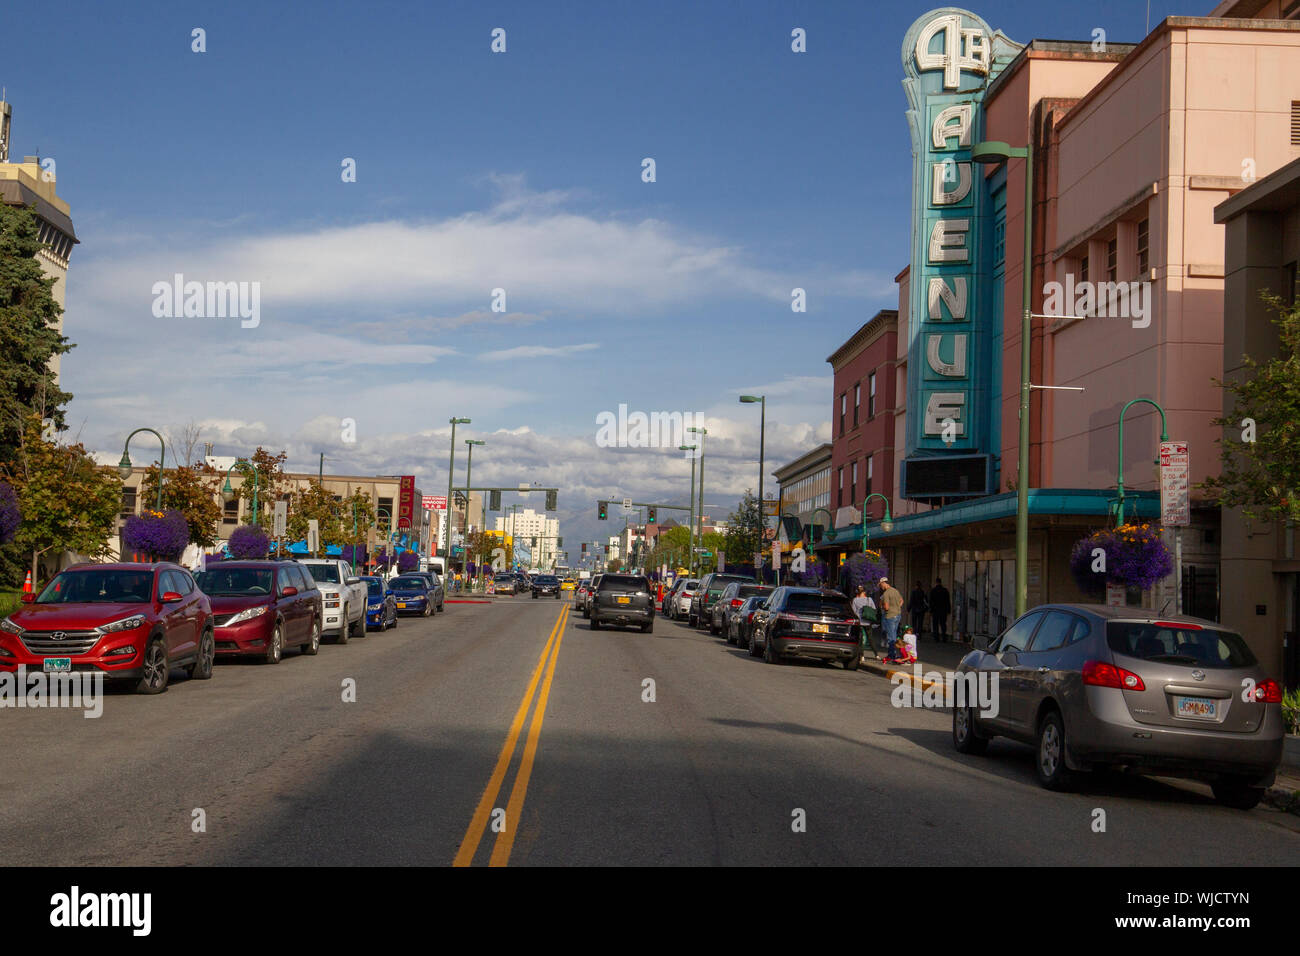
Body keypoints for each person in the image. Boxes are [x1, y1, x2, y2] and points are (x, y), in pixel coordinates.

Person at [851, 584, 878, 661]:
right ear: (864, 592)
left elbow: (854, 612)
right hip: (868, 621)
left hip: (860, 622)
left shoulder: (855, 600)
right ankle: (876, 654)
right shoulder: (869, 599)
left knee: (860, 639)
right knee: (870, 638)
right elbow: (874, 609)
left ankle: (862, 656)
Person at [878, 576, 903, 660]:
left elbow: (886, 607)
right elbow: (901, 601)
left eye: (880, 585)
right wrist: (897, 607)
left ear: (883, 583)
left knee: (890, 636)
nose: (880, 587)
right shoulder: (895, 591)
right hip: (898, 615)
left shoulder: (886, 593)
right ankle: (895, 653)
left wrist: (882, 607)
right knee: (894, 635)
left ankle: (891, 654)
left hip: (890, 616)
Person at [929, 578, 951, 642]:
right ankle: (944, 637)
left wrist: (931, 610)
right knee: (943, 624)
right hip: (943, 610)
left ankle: (936, 638)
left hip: (935, 610)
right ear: (941, 582)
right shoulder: (945, 590)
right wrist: (948, 610)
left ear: (936, 582)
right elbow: (947, 601)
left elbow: (931, 601)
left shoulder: (933, 591)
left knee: (935, 624)